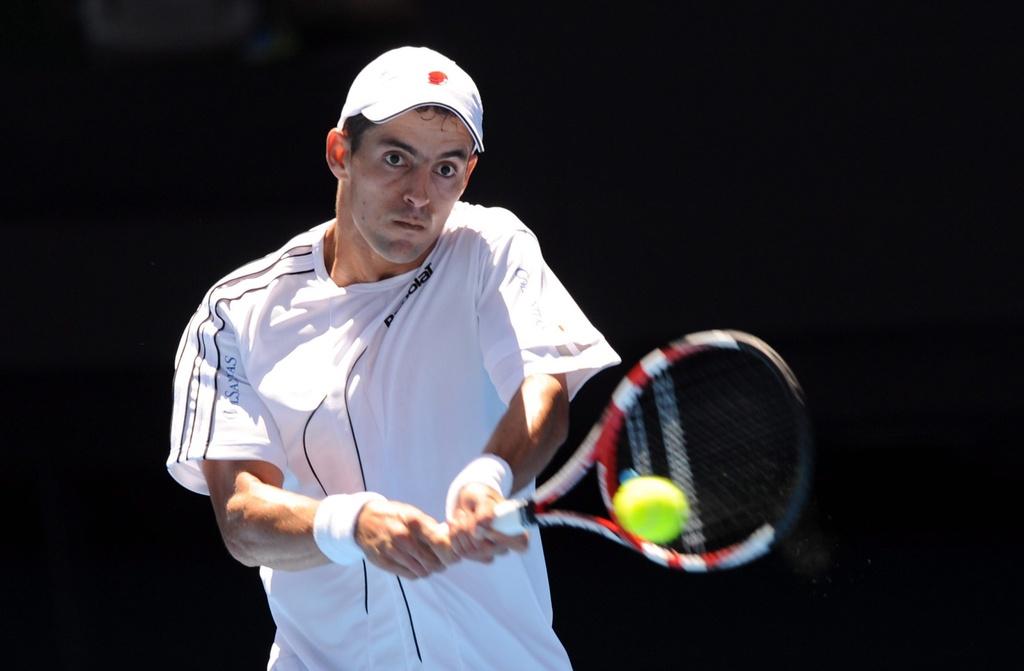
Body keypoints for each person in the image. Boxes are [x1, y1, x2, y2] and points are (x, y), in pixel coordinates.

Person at [167, 45, 620, 671]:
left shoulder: (490, 249)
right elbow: (243, 520)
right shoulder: (236, 314)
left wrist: (488, 476)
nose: (418, 195)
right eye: (395, 158)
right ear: (339, 154)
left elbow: (542, 393)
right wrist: (351, 525)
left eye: (445, 169)